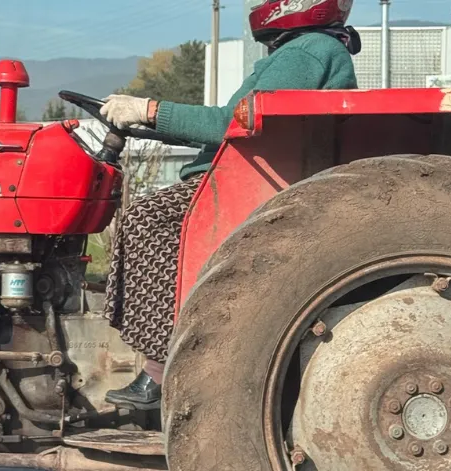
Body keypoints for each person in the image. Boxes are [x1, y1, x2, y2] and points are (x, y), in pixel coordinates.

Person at [99, 0, 361, 411]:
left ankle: (161, 370)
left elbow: (231, 122)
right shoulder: (309, 49)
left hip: (245, 182)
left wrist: (149, 110)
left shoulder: (307, 51)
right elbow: (231, 123)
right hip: (243, 173)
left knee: (148, 219)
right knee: (149, 215)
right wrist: (154, 121)